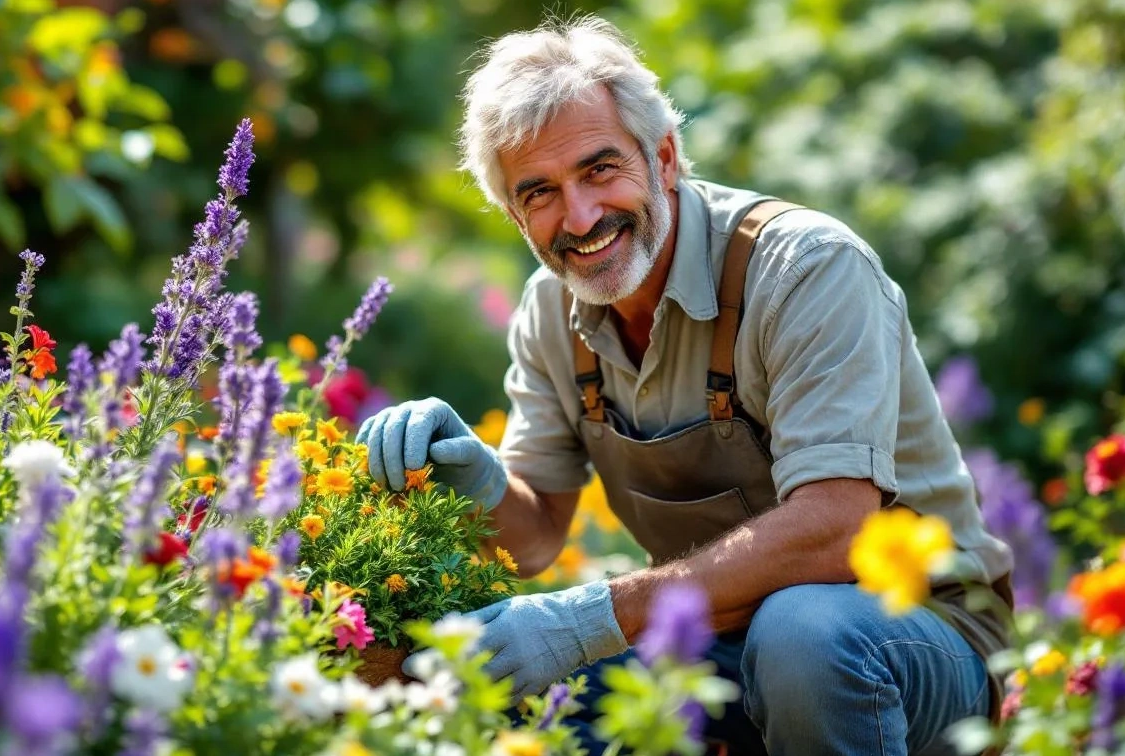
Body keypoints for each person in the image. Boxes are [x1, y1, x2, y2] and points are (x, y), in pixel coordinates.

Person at [357, 15, 1015, 756]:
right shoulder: (551, 313)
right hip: (715, 638)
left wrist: (583, 622)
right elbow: (536, 537)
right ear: (515, 215)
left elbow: (839, 530)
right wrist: (476, 480)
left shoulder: (804, 270)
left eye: (601, 169)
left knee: (802, 635)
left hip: (917, 634)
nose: (580, 216)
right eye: (539, 193)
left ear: (664, 158)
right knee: (522, 697)